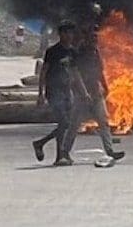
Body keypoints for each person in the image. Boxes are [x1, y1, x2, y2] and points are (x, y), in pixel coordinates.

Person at [62, 25, 125, 162]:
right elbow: (76, 74)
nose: (96, 38)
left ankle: (109, 151)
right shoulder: (78, 52)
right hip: (82, 95)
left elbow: (100, 71)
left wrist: (105, 86)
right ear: (87, 37)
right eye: (93, 36)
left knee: (104, 122)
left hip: (96, 93)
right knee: (74, 124)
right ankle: (64, 152)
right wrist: (84, 93)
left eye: (97, 36)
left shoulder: (95, 52)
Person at [32, 21, 91, 166]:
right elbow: (43, 73)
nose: (70, 36)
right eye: (67, 33)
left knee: (66, 124)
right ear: (61, 34)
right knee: (64, 122)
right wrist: (40, 94)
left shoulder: (72, 52)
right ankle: (56, 153)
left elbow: (75, 73)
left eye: (72, 33)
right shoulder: (52, 52)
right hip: (54, 91)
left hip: (66, 91)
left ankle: (50, 149)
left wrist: (84, 92)